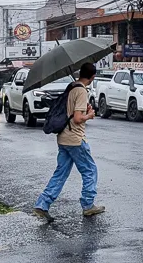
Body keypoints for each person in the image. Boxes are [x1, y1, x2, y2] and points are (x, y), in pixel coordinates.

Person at [34, 62, 105, 221]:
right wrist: (89, 115)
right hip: (75, 139)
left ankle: (42, 203)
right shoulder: (81, 91)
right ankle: (88, 205)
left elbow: (71, 111)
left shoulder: (71, 86)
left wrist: (83, 109)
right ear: (92, 77)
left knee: (61, 173)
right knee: (90, 170)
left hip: (63, 137)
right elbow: (78, 118)